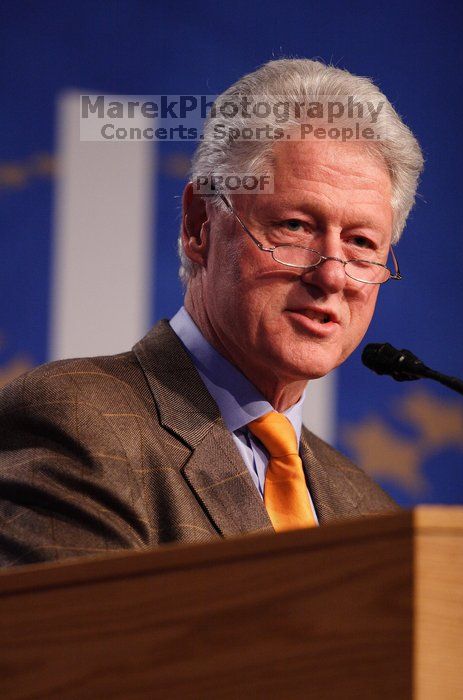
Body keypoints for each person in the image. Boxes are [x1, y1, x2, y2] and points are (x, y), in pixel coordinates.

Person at [0, 59, 423, 567]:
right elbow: (76, 644)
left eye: (360, 242)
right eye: (294, 225)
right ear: (200, 225)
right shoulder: (79, 424)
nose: (332, 275)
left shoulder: (370, 513)